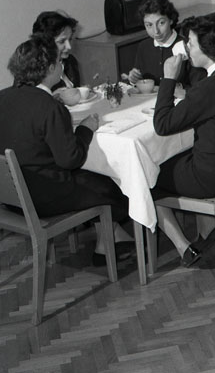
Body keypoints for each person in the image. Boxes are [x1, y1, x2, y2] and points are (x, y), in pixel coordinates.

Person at [0, 35, 132, 265]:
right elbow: (71, 159)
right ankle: (107, 244)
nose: (62, 66)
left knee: (93, 181)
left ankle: (110, 239)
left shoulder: (4, 96)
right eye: (59, 62)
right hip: (42, 198)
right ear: (51, 68)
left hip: (12, 198)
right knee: (110, 184)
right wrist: (85, 129)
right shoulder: (49, 107)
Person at [152, 17, 215, 266]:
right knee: (178, 157)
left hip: (212, 178)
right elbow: (210, 100)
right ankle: (208, 229)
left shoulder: (209, 87)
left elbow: (162, 124)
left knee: (147, 173)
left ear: (207, 49)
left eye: (190, 43)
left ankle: (183, 247)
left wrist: (168, 79)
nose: (187, 47)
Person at [128, 0, 200, 87]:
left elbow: (198, 87)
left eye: (161, 23)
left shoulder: (188, 46)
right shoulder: (143, 46)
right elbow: (141, 82)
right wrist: (134, 79)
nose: (156, 31)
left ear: (171, 20)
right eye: (149, 25)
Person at [31, 11, 81, 92]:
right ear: (45, 44)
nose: (69, 47)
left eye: (70, 39)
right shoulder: (32, 72)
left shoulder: (70, 61)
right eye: (62, 41)